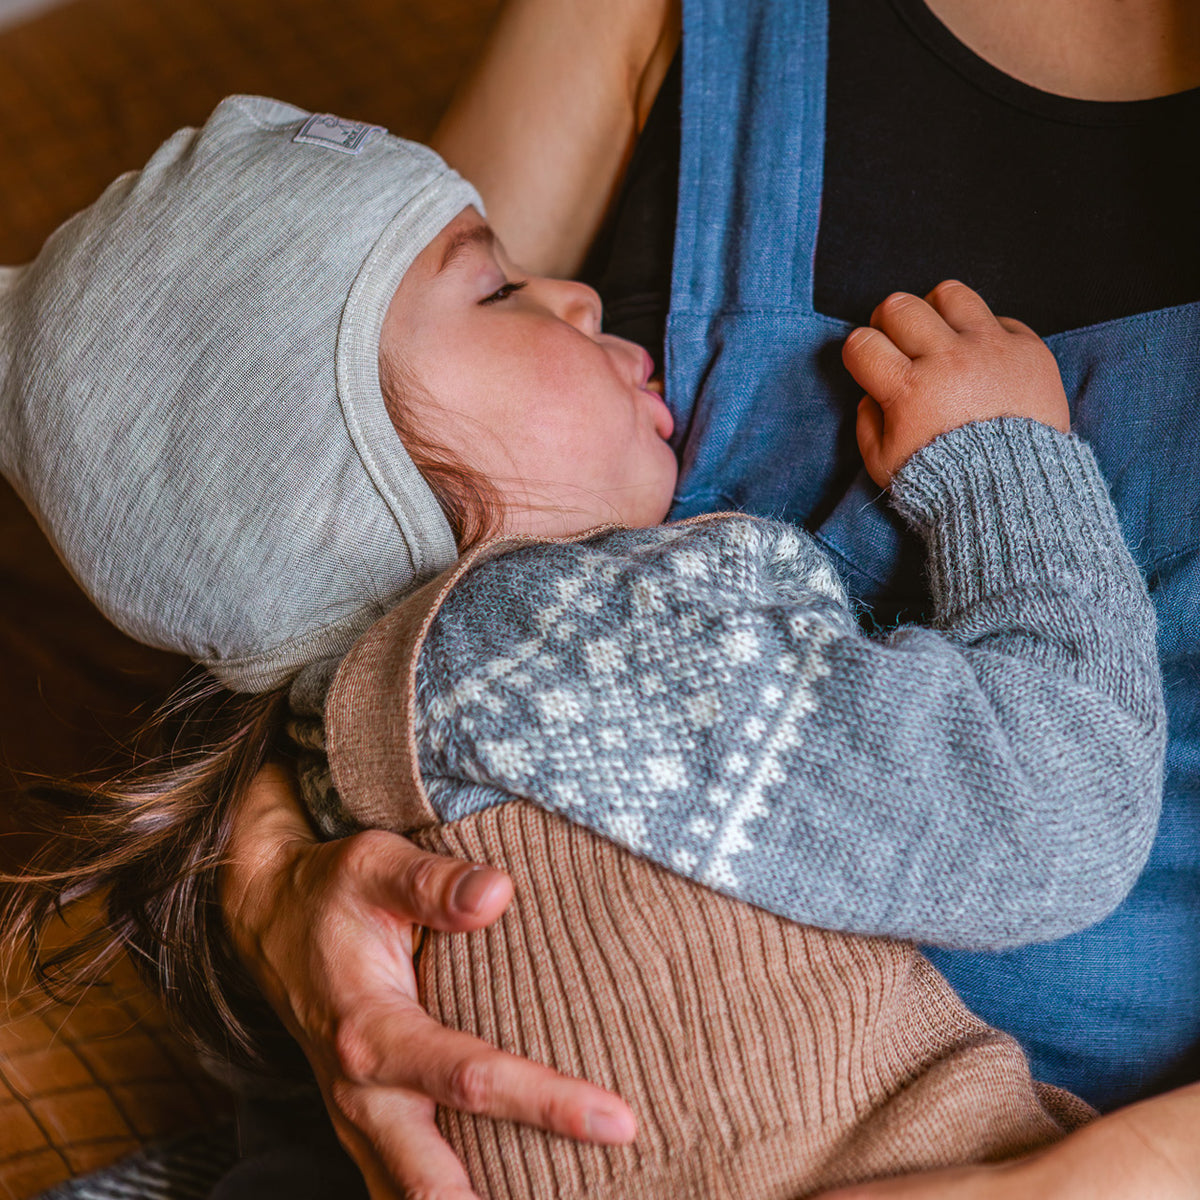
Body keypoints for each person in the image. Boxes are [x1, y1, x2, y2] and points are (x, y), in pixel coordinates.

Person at [0, 82, 1165, 1197]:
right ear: (326, 492)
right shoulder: (541, 644)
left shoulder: (365, 728)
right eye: (497, 292)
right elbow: (1052, 808)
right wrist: (1005, 467)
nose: (577, 295)